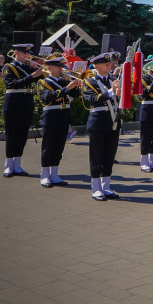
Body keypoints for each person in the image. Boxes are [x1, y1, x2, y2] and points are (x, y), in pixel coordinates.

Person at [81, 53, 122, 200]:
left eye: (109, 63)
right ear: (97, 66)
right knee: (96, 155)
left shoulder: (113, 79)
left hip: (113, 121)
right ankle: (96, 188)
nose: (109, 65)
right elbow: (90, 100)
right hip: (98, 121)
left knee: (109, 155)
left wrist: (120, 92)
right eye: (105, 63)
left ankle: (106, 186)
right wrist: (111, 91)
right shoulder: (90, 81)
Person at [36, 55, 81, 187]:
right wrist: (67, 88)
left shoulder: (63, 81)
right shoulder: (43, 82)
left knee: (59, 146)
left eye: (62, 66)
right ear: (49, 68)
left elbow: (76, 95)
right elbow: (47, 98)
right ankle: (44, 174)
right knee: (48, 146)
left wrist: (74, 85)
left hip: (64, 115)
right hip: (51, 115)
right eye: (58, 66)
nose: (61, 69)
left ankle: (54, 174)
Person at [1, 44, 45, 177]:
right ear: (16, 53)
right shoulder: (9, 67)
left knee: (22, 133)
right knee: (12, 132)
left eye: (28, 53)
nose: (28, 56)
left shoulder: (27, 67)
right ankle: (8, 165)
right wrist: (33, 75)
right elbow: (12, 84)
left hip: (26, 101)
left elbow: (40, 80)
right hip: (13, 100)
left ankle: (17, 163)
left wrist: (43, 70)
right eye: (25, 53)